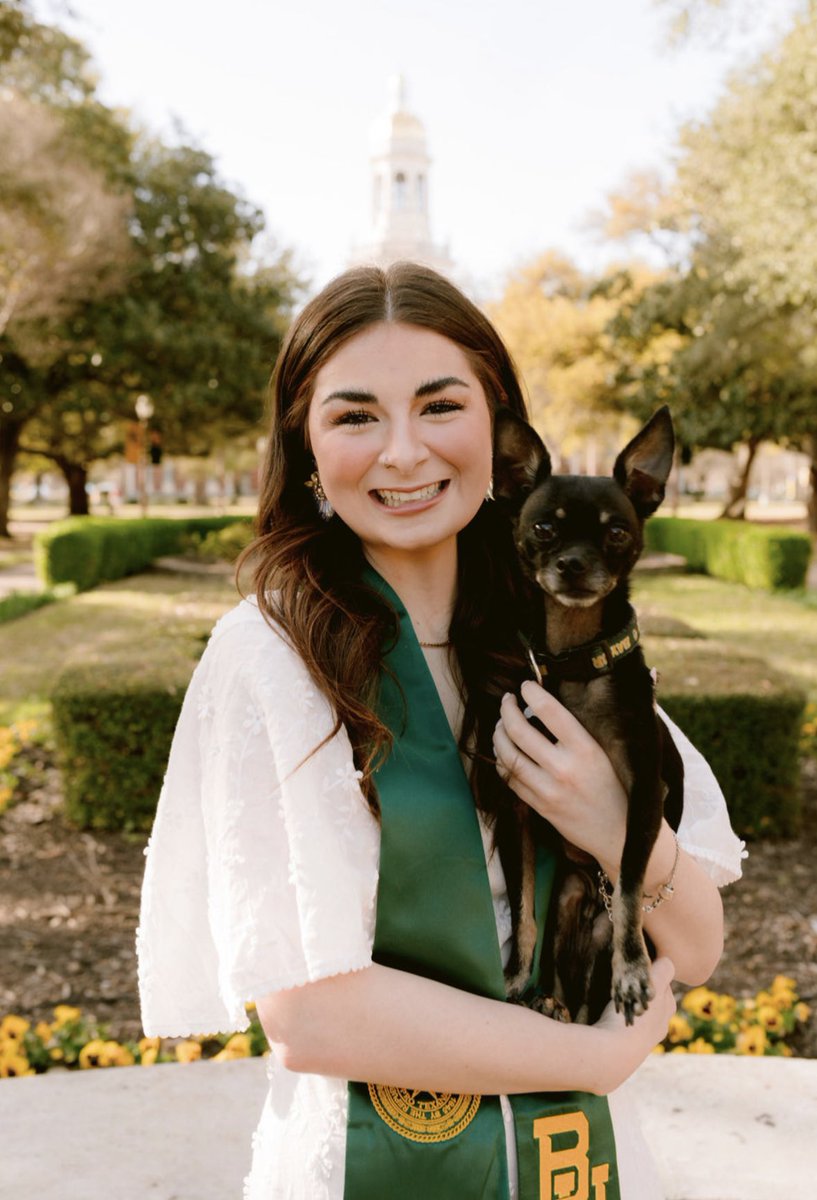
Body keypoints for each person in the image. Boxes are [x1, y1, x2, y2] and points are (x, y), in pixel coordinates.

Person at [137, 262, 745, 1200]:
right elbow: (309, 1015)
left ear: (498, 431)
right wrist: (590, 1057)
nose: (404, 452)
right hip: (369, 1164)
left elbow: (696, 945)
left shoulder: (560, 643)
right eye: (355, 416)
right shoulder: (269, 658)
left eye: (439, 406)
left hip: (578, 1164)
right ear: (305, 446)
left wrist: (602, 820)